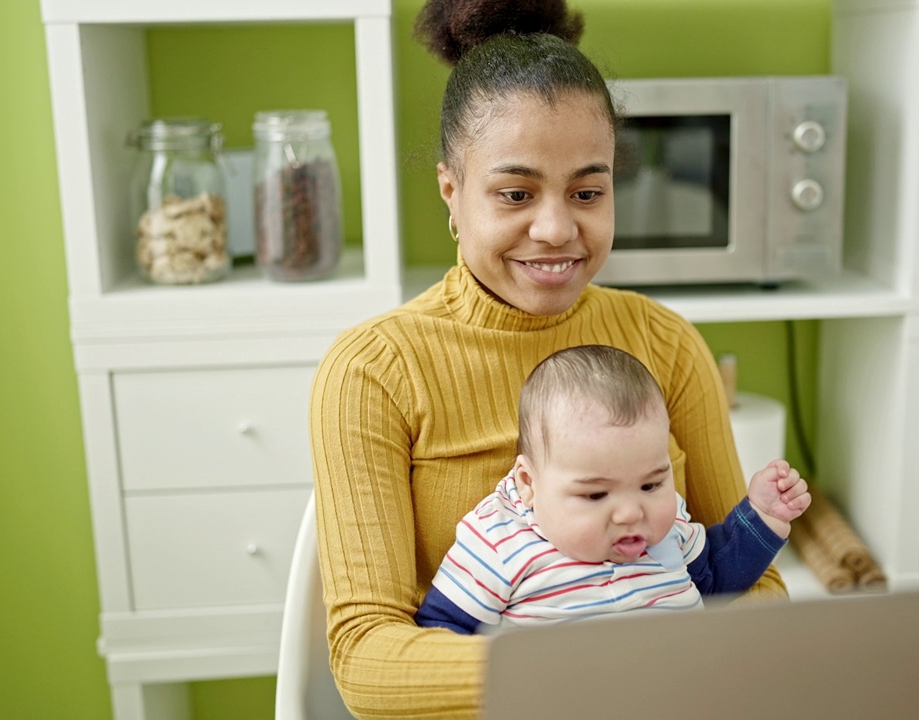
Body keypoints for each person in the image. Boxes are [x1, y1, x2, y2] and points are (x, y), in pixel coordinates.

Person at [309, 1, 791, 716]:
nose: (557, 228)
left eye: (589, 192)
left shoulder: (664, 343)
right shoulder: (373, 371)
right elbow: (369, 659)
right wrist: (591, 677)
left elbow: (748, 587)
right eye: (514, 193)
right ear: (452, 191)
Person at [414, 345, 810, 634]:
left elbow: (717, 578)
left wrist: (764, 516)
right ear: (529, 484)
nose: (630, 513)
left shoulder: (667, 531)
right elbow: (442, 633)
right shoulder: (501, 542)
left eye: (651, 484)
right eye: (596, 495)